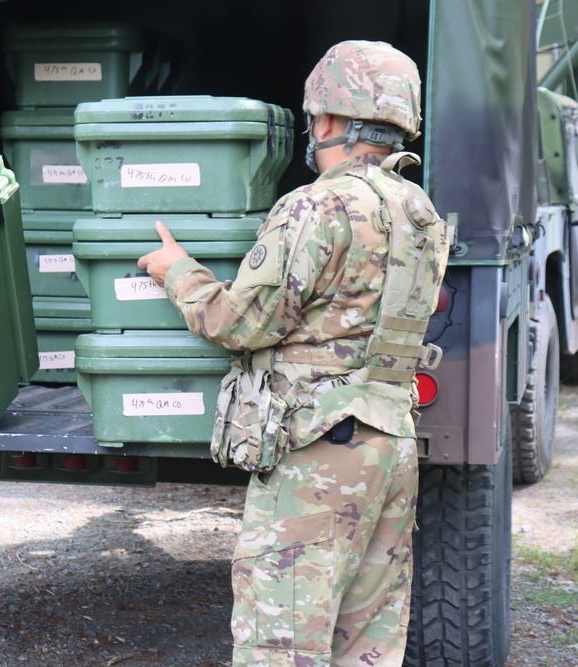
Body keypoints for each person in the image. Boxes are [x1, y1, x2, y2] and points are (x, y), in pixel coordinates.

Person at [138, 40, 449, 667]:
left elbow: (240, 322)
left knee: (280, 642)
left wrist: (176, 271)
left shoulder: (318, 204)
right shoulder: (421, 213)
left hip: (318, 451)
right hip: (390, 445)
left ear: (329, 120)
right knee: (367, 643)